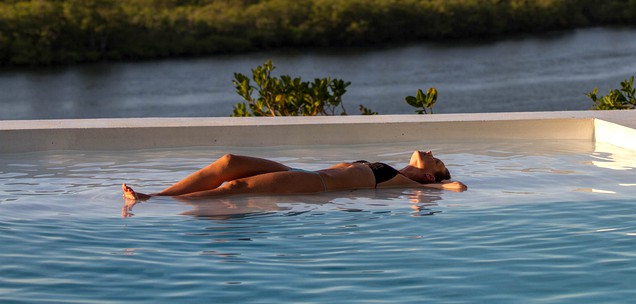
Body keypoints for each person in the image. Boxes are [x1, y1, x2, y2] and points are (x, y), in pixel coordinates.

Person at [122, 150, 467, 201]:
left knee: (237, 186)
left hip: (316, 184)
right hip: (302, 172)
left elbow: (457, 186)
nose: (431, 153)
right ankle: (162, 194)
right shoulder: (396, 170)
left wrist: (442, 183)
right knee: (228, 162)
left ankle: (150, 201)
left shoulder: (405, 183)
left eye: (437, 161)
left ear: (430, 177)